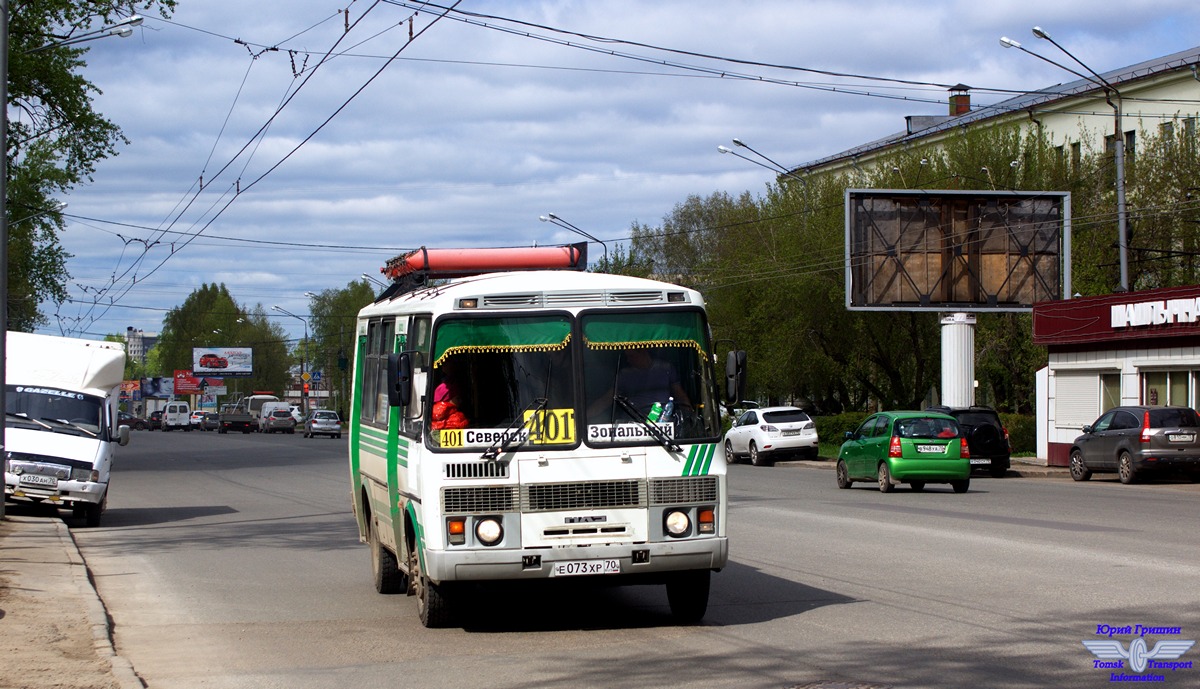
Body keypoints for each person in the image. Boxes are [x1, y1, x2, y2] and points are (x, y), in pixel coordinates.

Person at [614, 347, 691, 418]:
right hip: (633, 422)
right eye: (627, 357)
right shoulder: (625, 374)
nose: (628, 360)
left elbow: (679, 394)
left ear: (643, 352)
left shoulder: (666, 369)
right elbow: (610, 397)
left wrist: (689, 416)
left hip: (662, 421)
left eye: (631, 356)